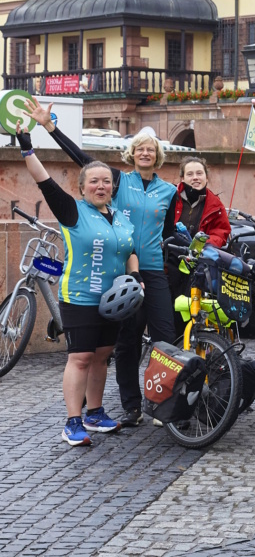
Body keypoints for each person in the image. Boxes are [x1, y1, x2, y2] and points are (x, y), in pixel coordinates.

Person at [26, 97, 176, 429]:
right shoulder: (118, 181)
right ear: (132, 154)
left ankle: (164, 403)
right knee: (126, 341)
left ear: (158, 155)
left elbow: (168, 232)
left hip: (150, 271)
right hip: (119, 273)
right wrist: (50, 127)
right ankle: (131, 406)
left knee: (166, 337)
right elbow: (82, 161)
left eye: (151, 149)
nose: (145, 153)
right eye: (140, 149)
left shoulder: (169, 190)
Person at [14, 124, 139, 446]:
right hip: (80, 297)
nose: (101, 186)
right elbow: (44, 182)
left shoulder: (122, 218)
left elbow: (131, 250)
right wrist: (27, 148)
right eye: (94, 181)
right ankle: (73, 421)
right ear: (82, 187)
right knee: (81, 357)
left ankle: (95, 413)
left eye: (106, 182)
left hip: (112, 300)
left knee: (102, 356)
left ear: (113, 187)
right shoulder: (73, 211)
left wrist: (135, 278)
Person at [167, 157, 231, 334]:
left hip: (198, 263)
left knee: (190, 308)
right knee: (170, 309)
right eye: (190, 174)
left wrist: (204, 244)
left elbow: (222, 232)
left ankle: (191, 343)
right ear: (182, 178)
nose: (195, 177)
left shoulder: (215, 204)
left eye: (199, 173)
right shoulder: (170, 196)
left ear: (206, 177)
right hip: (171, 260)